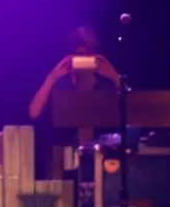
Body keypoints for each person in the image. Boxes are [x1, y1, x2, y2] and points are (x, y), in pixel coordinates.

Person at [28, 26, 120, 178]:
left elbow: (131, 111)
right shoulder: (61, 85)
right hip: (61, 166)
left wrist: (114, 77)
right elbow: (34, 112)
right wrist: (52, 78)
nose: (82, 52)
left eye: (88, 48)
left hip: (98, 164)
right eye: (79, 47)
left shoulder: (104, 88)